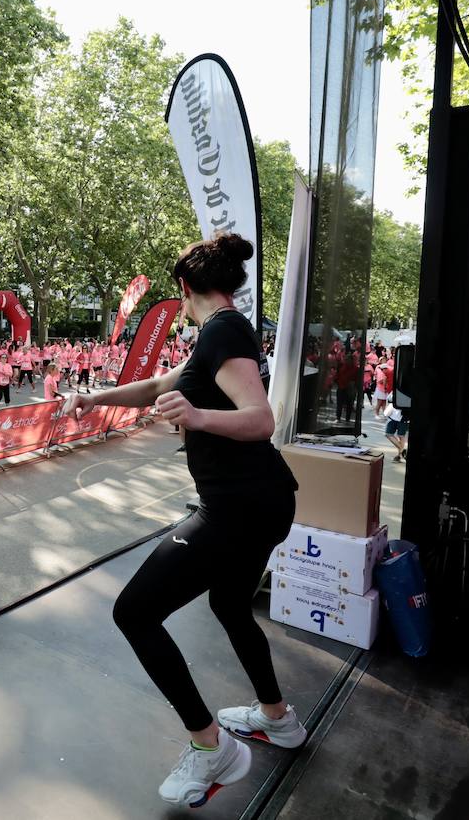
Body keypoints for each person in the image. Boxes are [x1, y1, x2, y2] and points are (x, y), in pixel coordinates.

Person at [63, 232, 305, 808]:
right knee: (227, 604)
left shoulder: (223, 330)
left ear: (183, 288)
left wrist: (197, 416)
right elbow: (155, 387)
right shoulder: (214, 337)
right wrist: (93, 398)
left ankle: (209, 745)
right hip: (260, 502)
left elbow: (259, 419)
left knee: (134, 613)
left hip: (239, 507)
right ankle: (278, 719)